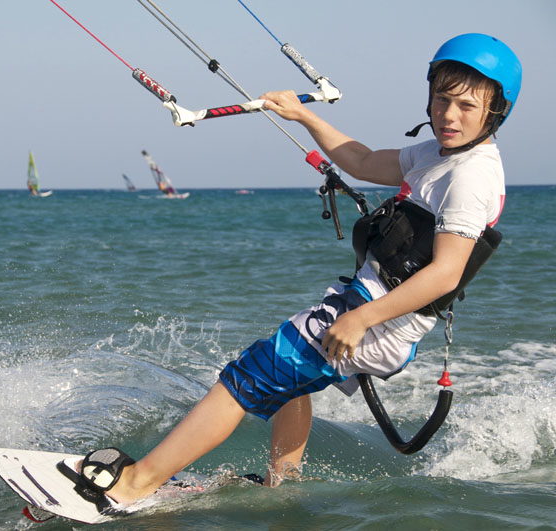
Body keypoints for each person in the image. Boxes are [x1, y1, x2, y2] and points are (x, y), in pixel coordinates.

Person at [74, 33, 522, 506]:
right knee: (289, 382)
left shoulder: (471, 176)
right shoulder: (436, 153)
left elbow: (446, 273)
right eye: (442, 99)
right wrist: (303, 114)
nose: (449, 116)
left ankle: (136, 483)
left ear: (496, 111)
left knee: (250, 375)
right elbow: (363, 160)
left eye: (467, 106)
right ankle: (282, 486)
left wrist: (360, 320)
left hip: (379, 320)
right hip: (364, 303)